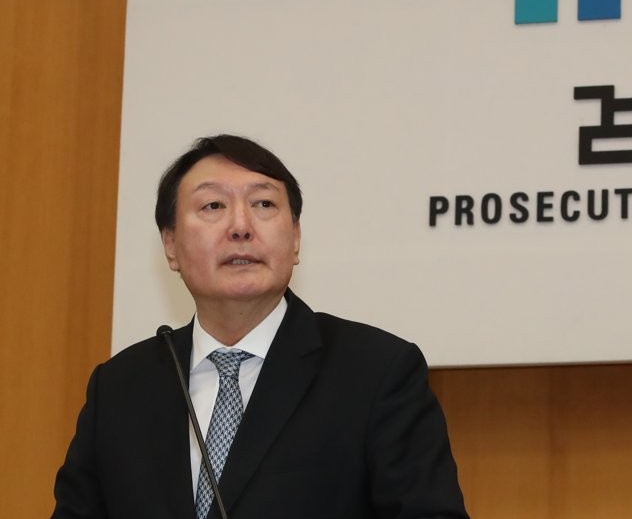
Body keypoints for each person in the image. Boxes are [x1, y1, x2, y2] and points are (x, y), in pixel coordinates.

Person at [52, 134, 469, 519]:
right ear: (171, 245)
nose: (240, 226)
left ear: (296, 238)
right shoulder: (119, 389)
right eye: (213, 206)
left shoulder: (376, 372)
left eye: (264, 204)